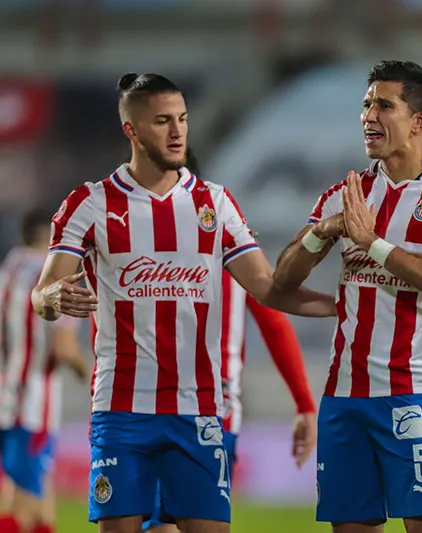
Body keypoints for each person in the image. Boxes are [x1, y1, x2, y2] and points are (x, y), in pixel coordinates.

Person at [30, 73, 335, 533]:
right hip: (122, 411)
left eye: (182, 119)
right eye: (162, 121)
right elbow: (43, 294)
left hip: (199, 411)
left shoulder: (215, 203)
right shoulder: (89, 205)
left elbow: (269, 290)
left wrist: (344, 303)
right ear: (131, 130)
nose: (177, 132)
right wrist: (52, 297)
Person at [273, 60, 422, 533]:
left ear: (419, 120)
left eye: (383, 105)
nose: (369, 115)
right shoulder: (346, 194)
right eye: (366, 104)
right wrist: (324, 232)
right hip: (344, 395)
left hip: (412, 391)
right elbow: (282, 279)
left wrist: (373, 243)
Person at [142, 151, 318, 533]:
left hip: (173, 402)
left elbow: (273, 321)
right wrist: (304, 402)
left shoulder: (153, 244)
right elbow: (274, 321)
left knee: (164, 523)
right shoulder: (230, 240)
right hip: (203, 406)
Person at [0, 208, 90, 533]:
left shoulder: (8, 270)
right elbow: (64, 348)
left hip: (6, 395)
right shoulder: (51, 280)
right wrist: (91, 376)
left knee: (22, 492)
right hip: (34, 402)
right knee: (29, 501)